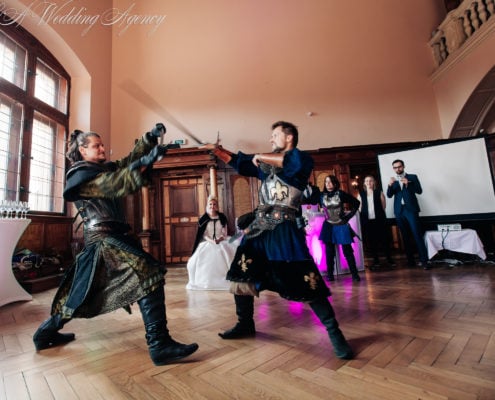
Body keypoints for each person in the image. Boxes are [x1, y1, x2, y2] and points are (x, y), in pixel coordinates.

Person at [32, 124, 199, 365]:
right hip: (102, 239)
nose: (102, 148)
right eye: (96, 145)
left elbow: (128, 162)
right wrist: (149, 159)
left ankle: (44, 333)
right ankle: (159, 345)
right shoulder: (81, 176)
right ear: (82, 150)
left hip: (114, 237)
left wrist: (149, 139)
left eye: (102, 144)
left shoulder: (100, 169)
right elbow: (115, 182)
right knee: (148, 274)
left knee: (81, 294)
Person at [204, 121, 353, 360]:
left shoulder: (301, 161)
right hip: (259, 229)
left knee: (307, 280)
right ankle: (245, 323)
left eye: (275, 135)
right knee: (242, 273)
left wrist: (259, 157)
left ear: (290, 138)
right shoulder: (266, 165)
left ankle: (335, 334)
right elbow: (243, 163)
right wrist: (219, 151)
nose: (271, 139)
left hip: (284, 229)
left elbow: (286, 162)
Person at [186, 195, 239, 290]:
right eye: (210, 204)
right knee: (194, 262)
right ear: (207, 205)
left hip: (222, 240)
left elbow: (224, 232)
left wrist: (219, 239)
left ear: (217, 206)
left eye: (214, 204)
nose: (212, 206)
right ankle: (206, 281)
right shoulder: (203, 218)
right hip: (209, 242)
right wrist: (212, 241)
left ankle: (229, 277)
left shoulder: (222, 217)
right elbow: (204, 234)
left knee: (227, 253)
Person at [386, 159, 429, 269]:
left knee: (417, 235)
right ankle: (411, 261)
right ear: (393, 169)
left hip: (411, 210)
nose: (397, 169)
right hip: (399, 211)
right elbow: (389, 195)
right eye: (395, 167)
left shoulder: (412, 177)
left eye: (399, 167)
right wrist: (390, 185)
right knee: (405, 237)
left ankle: (424, 261)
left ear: (403, 166)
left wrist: (408, 184)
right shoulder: (393, 180)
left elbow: (419, 191)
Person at [319, 175, 361, 282]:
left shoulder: (341, 194)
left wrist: (348, 216)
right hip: (328, 225)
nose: (328, 184)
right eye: (326, 182)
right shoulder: (321, 195)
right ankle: (330, 275)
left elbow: (356, 203)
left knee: (347, 251)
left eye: (330, 182)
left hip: (341, 224)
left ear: (335, 183)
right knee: (329, 252)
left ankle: (355, 274)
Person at [357, 175, 395, 270]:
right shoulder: (361, 194)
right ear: (364, 183)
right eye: (367, 181)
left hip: (379, 220)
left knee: (384, 240)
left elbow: (383, 206)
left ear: (374, 182)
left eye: (370, 181)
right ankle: (376, 260)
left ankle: (389, 259)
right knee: (371, 241)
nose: (369, 183)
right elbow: (360, 208)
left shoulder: (379, 192)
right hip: (367, 221)